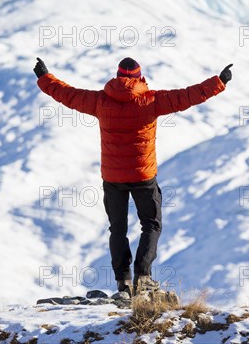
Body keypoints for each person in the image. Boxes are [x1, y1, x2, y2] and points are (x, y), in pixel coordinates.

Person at [34, 57, 231, 296]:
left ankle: (123, 281)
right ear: (139, 77)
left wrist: (45, 78)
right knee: (151, 224)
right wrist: (218, 81)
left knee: (117, 229)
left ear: (117, 76)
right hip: (143, 176)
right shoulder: (152, 100)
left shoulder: (100, 101)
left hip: (112, 177)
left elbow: (68, 94)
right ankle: (143, 276)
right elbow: (188, 96)